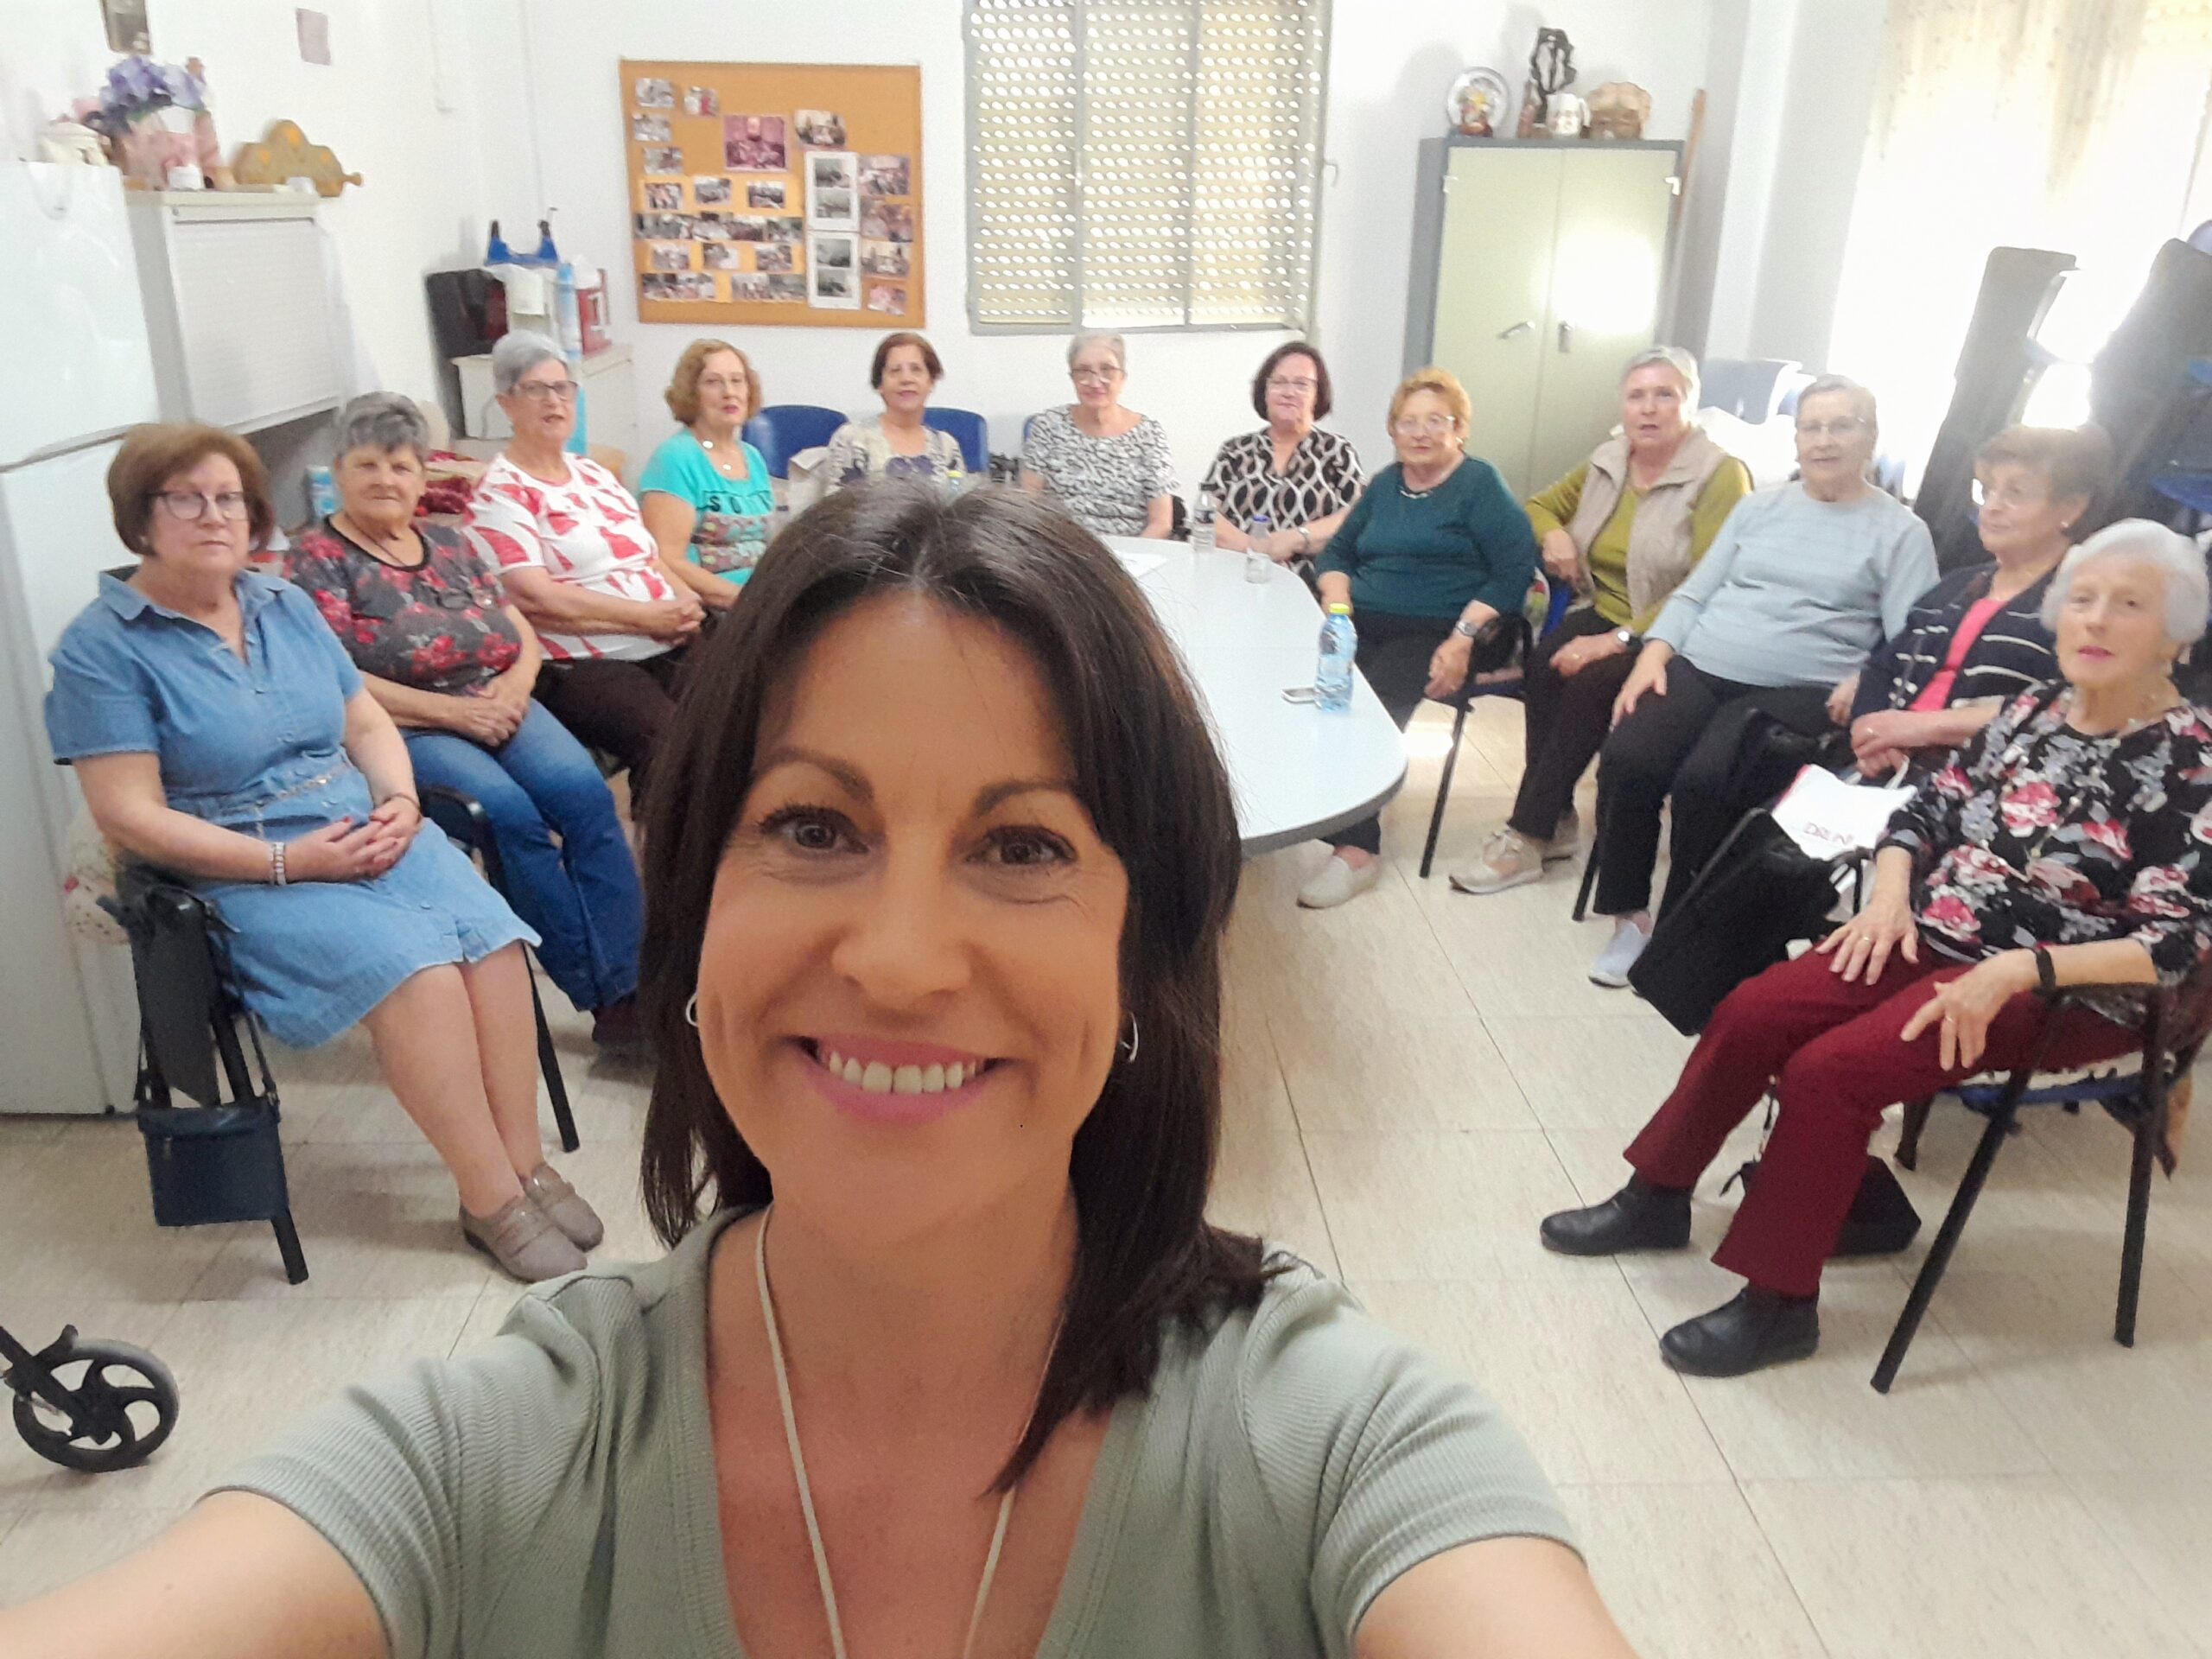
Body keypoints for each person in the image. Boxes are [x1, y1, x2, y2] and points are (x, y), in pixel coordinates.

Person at [1, 486, 1637, 1659]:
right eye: (812, 827)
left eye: (1021, 845)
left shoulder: (1341, 1449)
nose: (901, 960)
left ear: (1140, 952)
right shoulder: (496, 1455)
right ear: (699, 912)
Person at [1538, 520, 2212, 1377]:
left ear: (2178, 633)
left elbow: (2172, 944)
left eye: (2129, 605)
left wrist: (2017, 969)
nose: (2096, 620)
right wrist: (1890, 899)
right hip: (1935, 932)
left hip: (2068, 989)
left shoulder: (2192, 762)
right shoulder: (2032, 711)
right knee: (1753, 1010)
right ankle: (1658, 1195)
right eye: (2081, 599)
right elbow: (1921, 815)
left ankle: (1779, 1304)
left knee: (1831, 1071)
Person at [41, 423, 602, 1283]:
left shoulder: (283, 604)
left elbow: (367, 724)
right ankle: (489, 1197)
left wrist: (401, 803)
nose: (213, 515)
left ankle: (526, 1168)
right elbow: (128, 816)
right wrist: (287, 863)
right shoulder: (101, 648)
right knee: (416, 971)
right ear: (138, 518)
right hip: (241, 861)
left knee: (493, 945)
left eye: (229, 498)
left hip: (361, 824)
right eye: (185, 499)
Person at [287, 393, 645, 1050]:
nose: (385, 480)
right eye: (368, 464)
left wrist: (515, 686)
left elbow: (518, 629)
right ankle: (604, 997)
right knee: (509, 818)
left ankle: (634, 980)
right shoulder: (317, 559)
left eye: (400, 465)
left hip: (500, 702)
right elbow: (334, 678)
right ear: (338, 473)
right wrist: (458, 713)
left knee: (586, 799)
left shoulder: (452, 543)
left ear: (423, 477)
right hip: (406, 726)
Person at [1585, 376, 1937, 987]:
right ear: (1796, 438)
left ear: (1871, 437)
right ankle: (1630, 916)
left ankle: (1680, 932)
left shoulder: (1901, 532)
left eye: (1841, 426)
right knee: (1629, 757)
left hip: (1803, 687)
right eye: (1811, 427)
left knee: (1705, 782)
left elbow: (1912, 637)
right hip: (1703, 661)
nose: (1824, 441)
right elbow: (1695, 593)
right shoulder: (1759, 508)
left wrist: (1865, 677)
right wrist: (1652, 655)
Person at [1448, 347, 1751, 895]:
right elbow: (1537, 505)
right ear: (1622, 404)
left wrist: (1616, 641)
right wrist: (1555, 534)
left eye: (1665, 395)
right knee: (1545, 665)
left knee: (1589, 684)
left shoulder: (1720, 474)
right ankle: (1557, 816)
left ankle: (1528, 833)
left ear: (1690, 403)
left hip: (1674, 630)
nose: (1649, 409)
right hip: (1606, 607)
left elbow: (1708, 581)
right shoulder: (1610, 458)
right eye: (1637, 396)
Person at [1302, 368, 1539, 909]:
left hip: (1448, 626)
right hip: (1365, 618)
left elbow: (1513, 571)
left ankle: (1358, 851)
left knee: (1369, 705)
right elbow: (1338, 553)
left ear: (1460, 429)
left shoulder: (1479, 485)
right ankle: (1314, 805)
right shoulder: (1387, 484)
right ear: (1392, 430)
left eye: (1436, 421)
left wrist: (1462, 639)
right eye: (1408, 422)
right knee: (1311, 685)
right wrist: (1338, 608)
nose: (1421, 433)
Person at [462, 330, 705, 799]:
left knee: (739, 714)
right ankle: (665, 842)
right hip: (578, 663)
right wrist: (645, 617)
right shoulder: (501, 491)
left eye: (562, 388)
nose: (554, 401)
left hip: (660, 636)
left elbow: (647, 555)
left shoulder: (594, 473)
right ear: (507, 404)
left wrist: (684, 600)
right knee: (671, 744)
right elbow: (533, 596)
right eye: (536, 390)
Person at [1842, 423, 2108, 777]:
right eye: (1987, 491)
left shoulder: (2088, 602)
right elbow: (1881, 668)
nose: (1992, 507)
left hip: (1983, 782)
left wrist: (1919, 728)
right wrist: (1871, 734)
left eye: (2015, 493)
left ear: (2070, 508)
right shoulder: (1956, 585)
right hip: (1885, 765)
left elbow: (2071, 705)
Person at [1198, 341, 1365, 574]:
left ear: (1318, 394)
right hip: (1234, 575)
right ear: (1264, 392)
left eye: (1301, 384)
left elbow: (1357, 517)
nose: (1289, 393)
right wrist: (1257, 550)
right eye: (1279, 382)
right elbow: (1206, 514)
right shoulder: (1234, 451)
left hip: (1310, 583)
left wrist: (1295, 538)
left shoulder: (1337, 452)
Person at [639, 338, 778, 606]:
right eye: (713, 382)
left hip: (760, 598)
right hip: (710, 608)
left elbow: (767, 545)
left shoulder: (752, 456)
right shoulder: (675, 458)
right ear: (691, 393)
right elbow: (668, 560)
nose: (729, 392)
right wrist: (746, 604)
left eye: (737, 381)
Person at [1021, 332, 1176, 538]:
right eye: (1083, 371)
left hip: (1131, 551)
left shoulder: (1150, 434)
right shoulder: (1048, 426)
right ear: (1072, 378)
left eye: (1107, 370)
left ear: (1122, 377)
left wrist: (1126, 558)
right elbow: (1027, 507)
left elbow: (1161, 523)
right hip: (1061, 549)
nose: (1095, 382)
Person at [821, 331, 968, 491]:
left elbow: (959, 503)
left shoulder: (946, 446)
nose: (906, 379)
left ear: (931, 381)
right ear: (879, 384)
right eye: (895, 371)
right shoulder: (853, 439)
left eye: (916, 370)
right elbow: (838, 505)